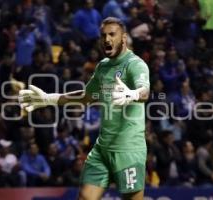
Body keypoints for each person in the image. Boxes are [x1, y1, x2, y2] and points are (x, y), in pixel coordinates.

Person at [18, 17, 150, 200]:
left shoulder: (135, 64)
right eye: (104, 35)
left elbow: (145, 91)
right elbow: (86, 97)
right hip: (103, 148)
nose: (107, 39)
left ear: (124, 38)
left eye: (112, 34)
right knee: (85, 197)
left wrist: (133, 94)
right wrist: (49, 98)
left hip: (129, 149)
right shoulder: (103, 67)